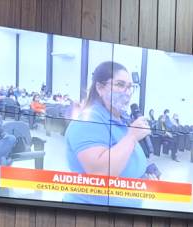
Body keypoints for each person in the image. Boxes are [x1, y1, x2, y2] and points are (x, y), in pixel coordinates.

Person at [64, 61, 154, 206]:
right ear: (100, 87)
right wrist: (132, 136)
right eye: (120, 85)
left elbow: (123, 156)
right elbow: (100, 173)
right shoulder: (87, 122)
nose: (127, 92)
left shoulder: (120, 118)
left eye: (130, 87)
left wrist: (141, 175)